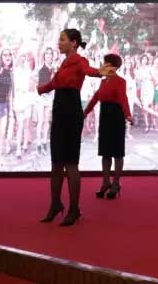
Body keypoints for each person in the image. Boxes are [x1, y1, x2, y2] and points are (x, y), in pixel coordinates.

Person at [37, 29, 111, 226]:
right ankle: (55, 204)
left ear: (74, 42)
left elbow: (89, 71)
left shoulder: (80, 60)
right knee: (56, 163)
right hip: (59, 110)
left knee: (70, 163)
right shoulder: (63, 63)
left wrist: (100, 72)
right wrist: (40, 89)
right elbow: (55, 83)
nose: (58, 43)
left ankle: (74, 209)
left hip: (71, 111)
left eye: (62, 40)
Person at [84, 54, 133, 200]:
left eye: (105, 63)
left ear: (114, 66)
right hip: (105, 116)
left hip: (116, 117)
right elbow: (96, 97)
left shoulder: (121, 81)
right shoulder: (103, 81)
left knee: (117, 152)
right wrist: (85, 112)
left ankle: (116, 184)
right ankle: (106, 182)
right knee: (105, 152)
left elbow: (123, 98)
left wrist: (128, 115)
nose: (102, 65)